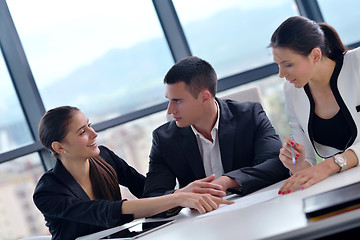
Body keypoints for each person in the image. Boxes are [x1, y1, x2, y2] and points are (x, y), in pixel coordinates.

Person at [33, 106, 233, 239]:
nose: (94, 134)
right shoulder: (48, 191)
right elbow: (105, 213)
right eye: (82, 132)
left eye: (89, 126)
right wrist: (177, 198)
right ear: (59, 147)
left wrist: (177, 195)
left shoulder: (104, 157)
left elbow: (146, 191)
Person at [143, 56, 290, 211]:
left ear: (205, 97)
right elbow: (152, 197)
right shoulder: (164, 139)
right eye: (169, 100)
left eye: (178, 101)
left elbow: (277, 164)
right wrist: (182, 195)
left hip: (257, 211)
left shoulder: (250, 115)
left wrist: (228, 181)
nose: (170, 110)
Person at [269, 16, 360, 195]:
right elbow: (307, 163)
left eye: (288, 64)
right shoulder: (292, 90)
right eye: (278, 65)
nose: (281, 74)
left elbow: (323, 168)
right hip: (342, 188)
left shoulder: (357, 63)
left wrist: (329, 166)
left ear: (316, 55)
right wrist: (297, 162)